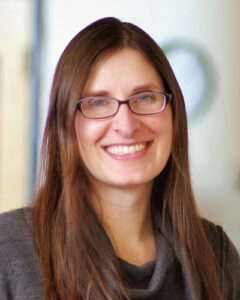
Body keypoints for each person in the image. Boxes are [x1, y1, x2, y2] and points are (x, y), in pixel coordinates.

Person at [0, 17, 239, 300]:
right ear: (65, 125)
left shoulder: (217, 255)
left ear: (173, 113)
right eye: (98, 102)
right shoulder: (9, 252)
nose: (126, 125)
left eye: (145, 97)